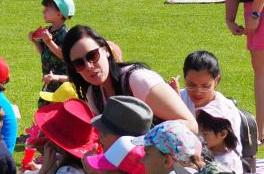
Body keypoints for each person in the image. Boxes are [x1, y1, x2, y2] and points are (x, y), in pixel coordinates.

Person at [174, 0, 264, 138]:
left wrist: (255, 15)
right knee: (260, 69)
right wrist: (229, 19)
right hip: (255, 2)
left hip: (259, 2)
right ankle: (261, 132)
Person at [62, 24, 197, 129]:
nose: (89, 66)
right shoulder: (94, 95)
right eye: (79, 63)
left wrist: (146, 141)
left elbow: (190, 124)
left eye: (92, 55)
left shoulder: (138, 81)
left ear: (105, 50)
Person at [28, 0, 74, 92]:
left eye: (47, 9)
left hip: (62, 84)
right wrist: (35, 41)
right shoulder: (48, 31)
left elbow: (63, 55)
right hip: (49, 80)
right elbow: (43, 51)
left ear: (59, 14)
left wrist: (49, 42)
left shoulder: (64, 33)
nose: (43, 11)